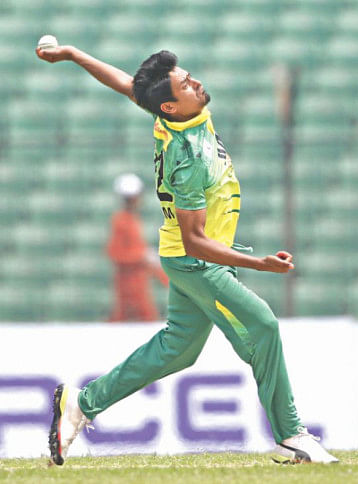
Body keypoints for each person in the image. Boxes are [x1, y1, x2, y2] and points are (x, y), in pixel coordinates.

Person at [36, 45, 338, 464]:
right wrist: (260, 264)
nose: (195, 82)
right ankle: (291, 435)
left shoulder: (174, 115)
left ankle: (81, 404)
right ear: (170, 105)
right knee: (263, 326)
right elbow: (195, 240)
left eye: (188, 76)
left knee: (178, 348)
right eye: (186, 84)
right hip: (197, 262)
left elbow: (127, 85)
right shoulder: (189, 156)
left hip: (182, 257)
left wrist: (72, 54)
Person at [106, 173, 169, 322]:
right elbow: (115, 253)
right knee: (131, 318)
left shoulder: (131, 220)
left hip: (138, 280)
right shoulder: (121, 221)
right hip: (129, 281)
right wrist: (142, 256)